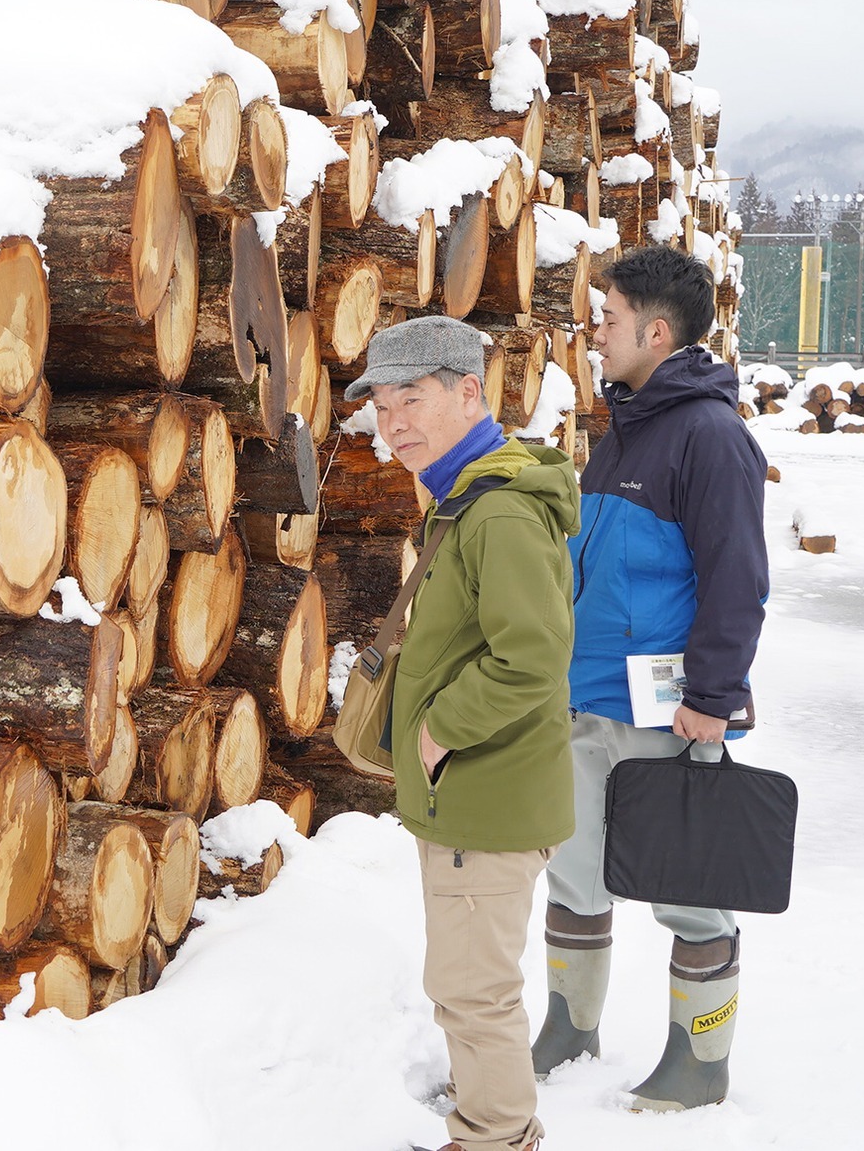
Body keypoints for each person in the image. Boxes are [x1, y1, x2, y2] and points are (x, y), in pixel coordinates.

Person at [530, 246, 769, 1112]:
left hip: (668, 716)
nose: (594, 334)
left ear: (655, 331)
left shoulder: (711, 437)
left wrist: (711, 697)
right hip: (585, 698)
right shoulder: (624, 427)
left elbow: (739, 576)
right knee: (575, 871)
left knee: (686, 886)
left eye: (608, 319)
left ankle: (701, 1063)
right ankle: (568, 1028)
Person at [346, 315, 579, 1151]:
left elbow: (535, 656)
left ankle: (493, 1137)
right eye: (381, 403)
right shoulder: (464, 498)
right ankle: (490, 1126)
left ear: (470, 390)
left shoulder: (499, 512)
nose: (394, 421)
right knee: (466, 983)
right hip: (475, 796)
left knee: (475, 990)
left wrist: (443, 724)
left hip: (485, 795)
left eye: (413, 397)